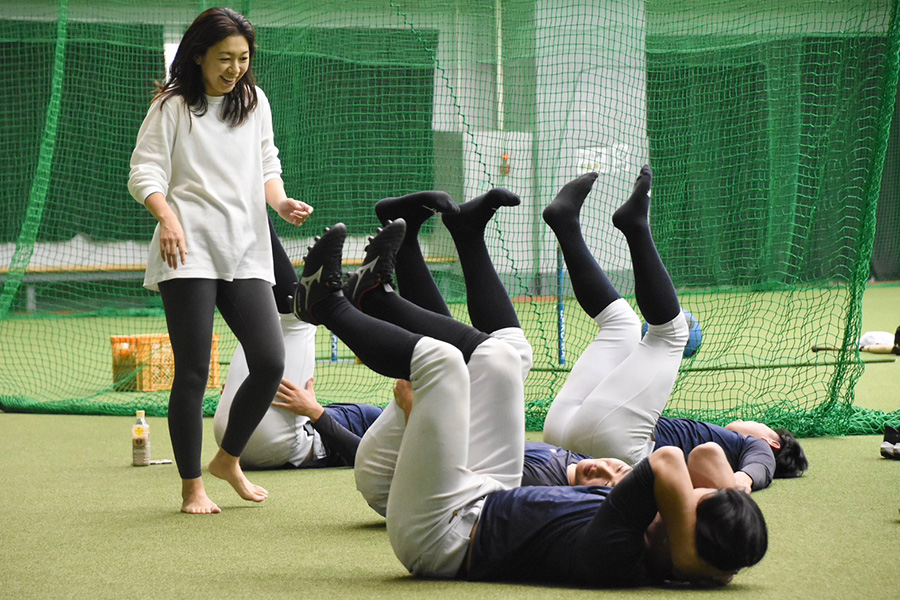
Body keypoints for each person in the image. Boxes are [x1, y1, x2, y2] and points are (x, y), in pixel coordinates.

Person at [292, 167, 767, 586]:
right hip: (485, 494)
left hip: (438, 535)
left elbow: (669, 462)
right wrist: (712, 534)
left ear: (682, 537)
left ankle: (326, 305)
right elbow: (704, 455)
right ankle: (375, 294)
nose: (693, 493)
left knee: (442, 365)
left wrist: (689, 553)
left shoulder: (621, 553)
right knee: (500, 358)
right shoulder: (657, 533)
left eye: (693, 503)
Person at [127, 7, 311, 513]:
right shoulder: (171, 108)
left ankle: (227, 459)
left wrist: (280, 202)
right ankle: (192, 486)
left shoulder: (254, 103)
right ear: (199, 55)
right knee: (192, 371)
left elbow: (267, 163)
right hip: (187, 249)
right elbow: (144, 172)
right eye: (225, 58)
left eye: (243, 59)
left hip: (246, 248)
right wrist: (167, 218)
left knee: (271, 361)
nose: (234, 69)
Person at [539, 168, 808, 485]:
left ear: (772, 441)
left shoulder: (755, 446)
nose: (754, 422)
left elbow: (761, 464)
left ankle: (636, 226)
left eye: (764, 427)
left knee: (672, 333)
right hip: (567, 432)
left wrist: (745, 480)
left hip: (617, 449)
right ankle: (565, 222)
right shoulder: (716, 440)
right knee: (621, 324)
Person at [213, 216, 381, 470]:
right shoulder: (397, 418)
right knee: (266, 325)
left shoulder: (417, 437)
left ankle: (324, 291)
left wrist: (315, 412)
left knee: (299, 319)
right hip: (234, 435)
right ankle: (245, 205)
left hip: (285, 444)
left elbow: (369, 458)